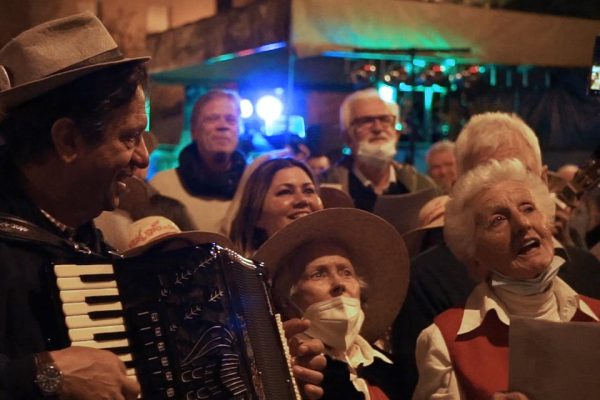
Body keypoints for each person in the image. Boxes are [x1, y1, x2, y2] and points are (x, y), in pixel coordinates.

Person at [0, 14, 325, 400]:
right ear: (68, 140)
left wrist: (257, 369)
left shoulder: (87, 249)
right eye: (130, 136)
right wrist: (43, 375)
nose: (143, 159)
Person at [391, 112, 600, 399]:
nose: (523, 224)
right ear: (473, 252)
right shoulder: (446, 337)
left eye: (528, 207)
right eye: (497, 219)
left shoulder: (595, 311)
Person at [255, 208, 409, 400]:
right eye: (318, 274)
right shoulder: (283, 372)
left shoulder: (390, 368)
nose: (339, 284)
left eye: (346, 272)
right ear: (287, 301)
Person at [321, 88, 438, 211]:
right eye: (366, 121)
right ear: (347, 138)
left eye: (385, 120)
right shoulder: (327, 189)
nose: (377, 128)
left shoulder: (421, 187)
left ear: (397, 134)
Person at [150, 89, 246, 232]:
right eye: (212, 119)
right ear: (194, 130)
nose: (222, 126)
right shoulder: (164, 186)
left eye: (230, 119)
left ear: (239, 129)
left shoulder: (254, 184)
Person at [229, 157, 323, 256]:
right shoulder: (242, 270)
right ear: (257, 214)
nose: (302, 200)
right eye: (285, 192)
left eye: (309, 190)